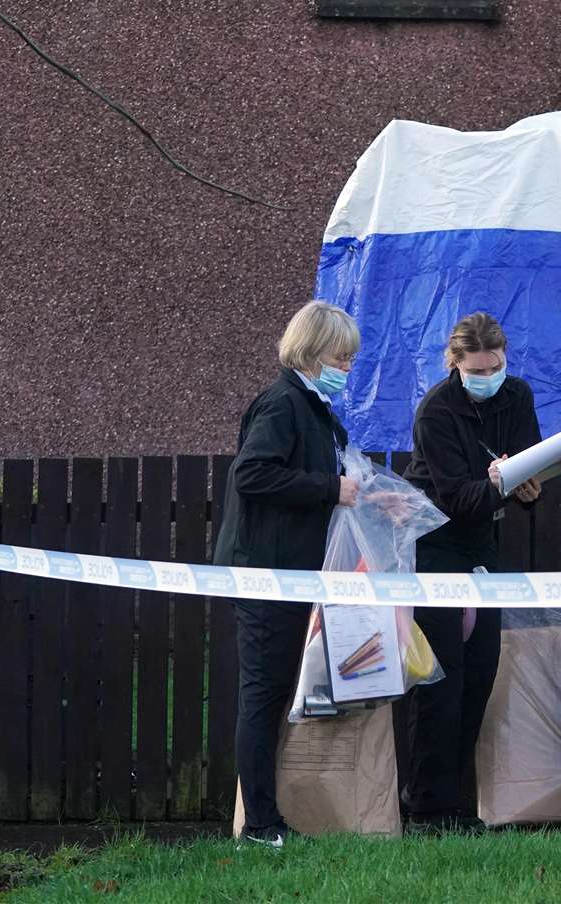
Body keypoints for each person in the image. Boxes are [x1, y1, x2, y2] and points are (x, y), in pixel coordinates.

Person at [213, 300, 362, 849]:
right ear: (310, 350)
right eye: (340, 356)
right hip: (263, 575)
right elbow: (251, 474)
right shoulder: (282, 404)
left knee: (271, 695)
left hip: (288, 573)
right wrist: (329, 489)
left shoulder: (312, 405)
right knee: (263, 696)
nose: (347, 367)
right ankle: (258, 824)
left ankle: (265, 818)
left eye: (350, 359)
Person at [401, 312, 542, 832]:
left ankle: (457, 802)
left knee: (479, 672)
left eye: (497, 366)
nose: (490, 377)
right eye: (478, 369)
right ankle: (425, 808)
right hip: (435, 547)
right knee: (439, 680)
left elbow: (532, 463)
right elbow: (458, 497)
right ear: (455, 364)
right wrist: (505, 483)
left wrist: (529, 488)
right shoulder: (435, 411)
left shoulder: (518, 396)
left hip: (483, 548)